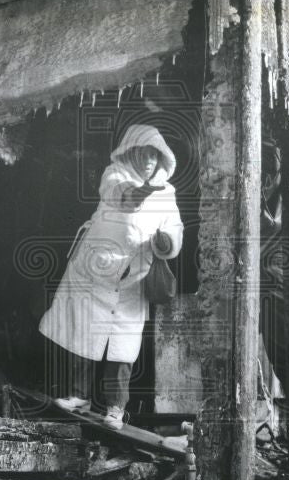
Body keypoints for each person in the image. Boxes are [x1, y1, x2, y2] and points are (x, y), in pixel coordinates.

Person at [39, 124, 183, 429]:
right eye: (143, 154)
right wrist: (141, 192)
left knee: (123, 345)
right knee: (85, 335)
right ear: (130, 152)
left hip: (133, 277)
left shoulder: (168, 193)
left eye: (154, 156)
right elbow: (120, 196)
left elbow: (175, 229)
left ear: (161, 159)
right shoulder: (114, 173)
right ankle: (80, 395)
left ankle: (116, 408)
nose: (148, 161)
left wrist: (166, 242)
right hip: (96, 271)